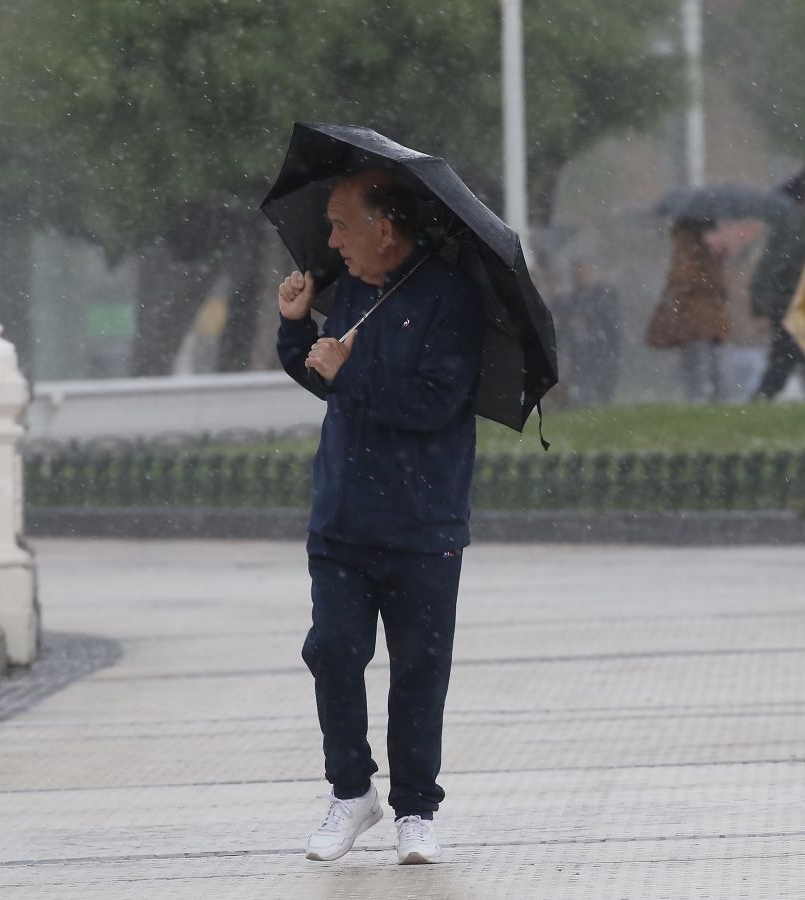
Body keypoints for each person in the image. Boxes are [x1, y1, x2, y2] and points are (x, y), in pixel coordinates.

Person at [276, 169, 485, 864]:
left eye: (341, 225)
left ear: (384, 228)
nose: (331, 240)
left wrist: (348, 373)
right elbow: (329, 382)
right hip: (342, 517)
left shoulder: (451, 297)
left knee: (419, 669)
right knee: (331, 652)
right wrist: (295, 326)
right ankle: (351, 790)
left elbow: (433, 404)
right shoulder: (354, 290)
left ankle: (416, 811)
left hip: (423, 523)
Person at [751, 177, 805, 400]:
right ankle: (763, 399)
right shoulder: (793, 227)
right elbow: (769, 268)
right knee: (784, 361)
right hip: (790, 306)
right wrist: (761, 308)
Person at [645, 218, 731, 403]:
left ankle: (700, 396)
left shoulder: (686, 248)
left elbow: (682, 279)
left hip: (693, 314)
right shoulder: (703, 249)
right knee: (707, 359)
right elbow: (719, 286)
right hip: (706, 314)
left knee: (697, 359)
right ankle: (715, 396)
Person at [558, 259, 622, 406]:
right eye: (578, 274)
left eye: (585, 272)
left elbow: (610, 319)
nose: (581, 277)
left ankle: (602, 404)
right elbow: (565, 320)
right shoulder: (574, 297)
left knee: (604, 384)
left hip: (602, 348)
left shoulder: (605, 293)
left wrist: (587, 319)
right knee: (584, 383)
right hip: (581, 350)